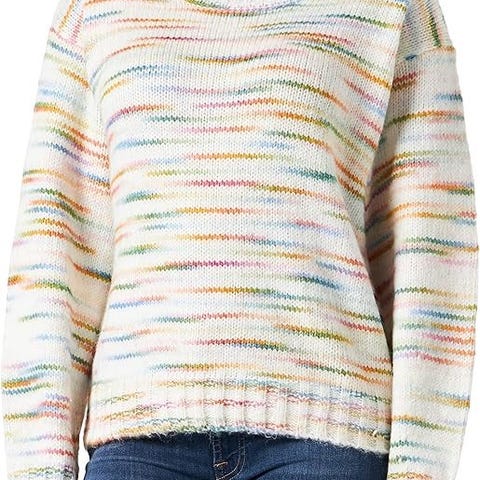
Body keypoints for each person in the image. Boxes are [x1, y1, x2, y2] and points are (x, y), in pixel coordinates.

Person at [1, 0, 477, 479]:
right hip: (139, 437)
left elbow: (433, 255)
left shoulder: (394, 11)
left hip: (326, 437)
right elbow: (54, 253)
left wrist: (421, 470)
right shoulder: (93, 13)